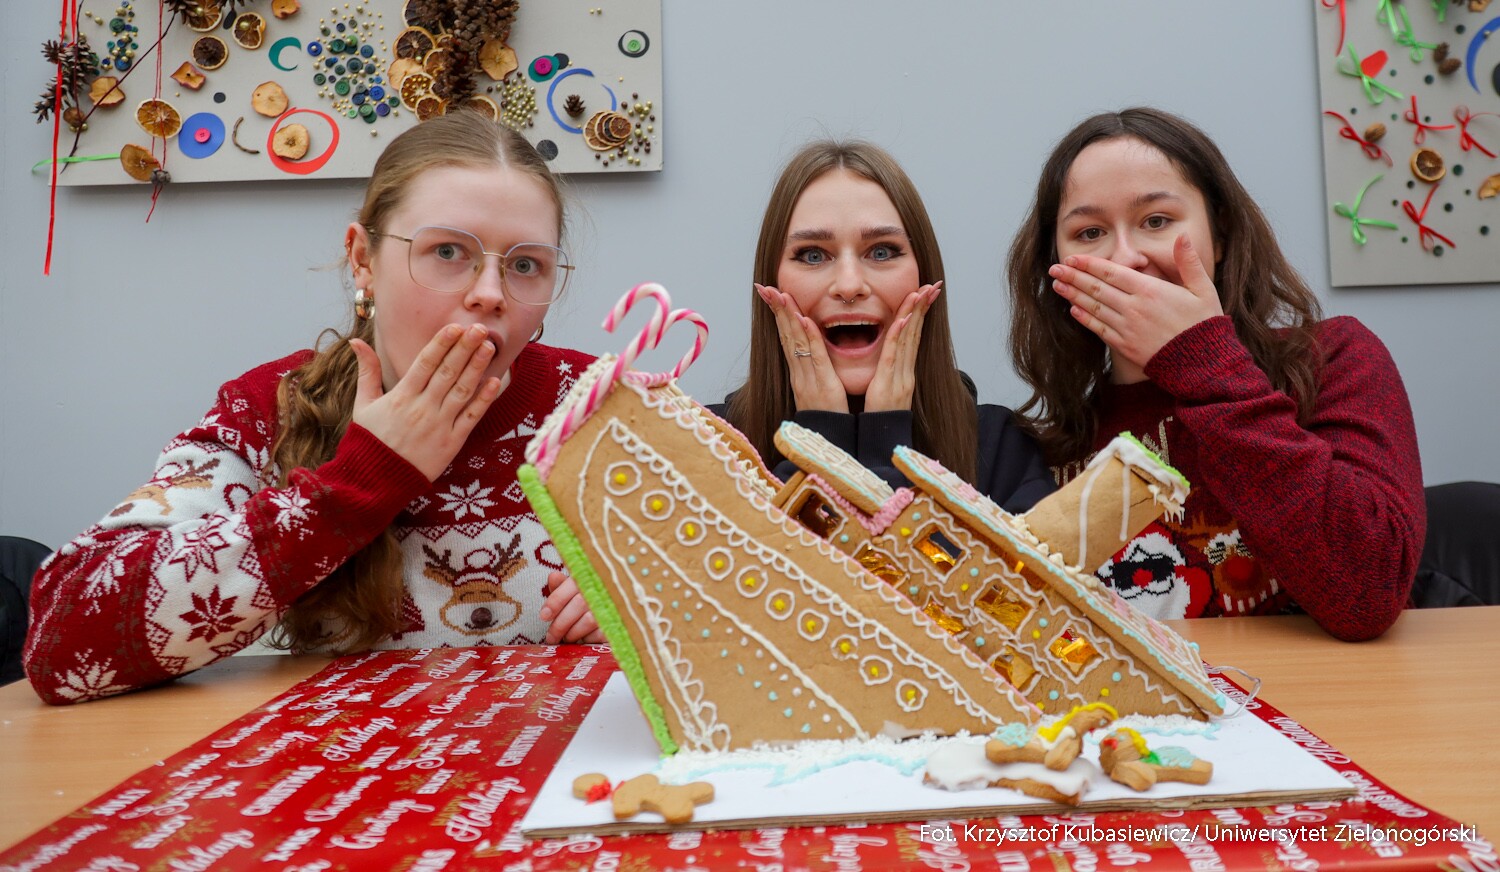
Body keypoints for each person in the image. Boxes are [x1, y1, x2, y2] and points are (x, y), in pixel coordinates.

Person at [26, 111, 603, 705]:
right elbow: (60, 646)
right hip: (343, 759)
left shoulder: (603, 407)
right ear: (363, 259)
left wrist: (647, 599)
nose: (489, 293)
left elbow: (675, 609)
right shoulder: (271, 411)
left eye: (525, 265)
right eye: (449, 250)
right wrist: (357, 484)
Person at [1007, 107, 1424, 641]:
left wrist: (1202, 362)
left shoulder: (1333, 360)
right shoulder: (1043, 450)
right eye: (1089, 232)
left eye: (1156, 221)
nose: (1126, 258)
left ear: (1220, 235)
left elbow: (1369, 593)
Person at [718, 140, 1054, 513]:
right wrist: (820, 444)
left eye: (881, 252)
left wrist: (887, 443)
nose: (849, 285)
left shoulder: (1004, 451)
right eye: (812, 255)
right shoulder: (708, 448)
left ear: (925, 275)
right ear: (771, 281)